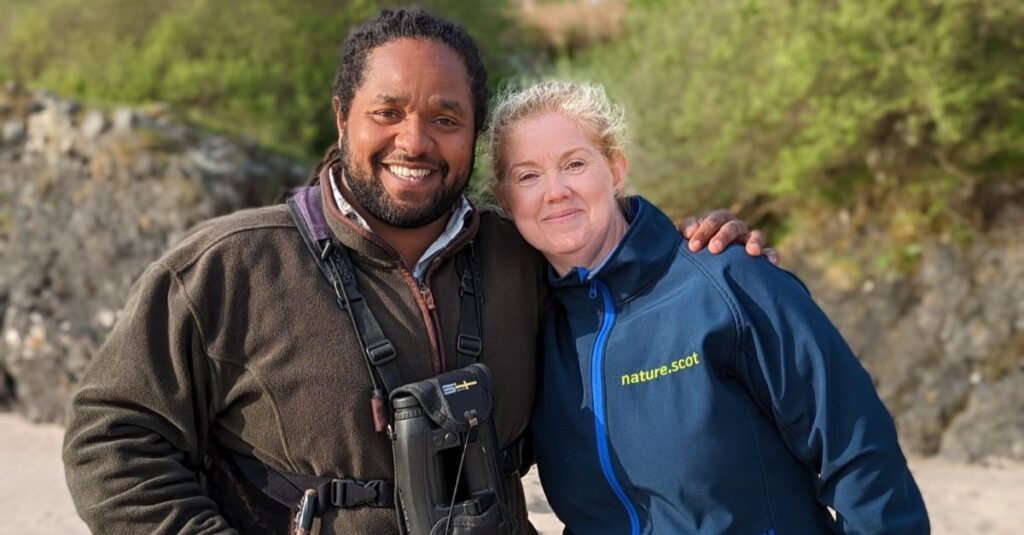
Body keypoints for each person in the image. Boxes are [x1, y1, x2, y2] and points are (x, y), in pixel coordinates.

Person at [61, 9, 767, 535]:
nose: (415, 141)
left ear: (474, 134)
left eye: (445, 118)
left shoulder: (526, 253)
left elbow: (630, 273)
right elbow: (111, 432)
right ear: (343, 118)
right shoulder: (228, 266)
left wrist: (697, 246)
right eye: (388, 112)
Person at [487, 80, 930, 534]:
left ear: (615, 170)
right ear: (506, 201)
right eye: (528, 176)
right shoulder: (531, 322)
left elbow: (860, 453)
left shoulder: (728, 281)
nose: (555, 190)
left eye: (575, 164)